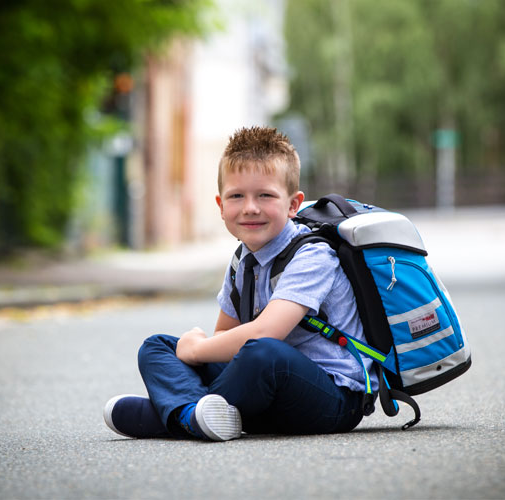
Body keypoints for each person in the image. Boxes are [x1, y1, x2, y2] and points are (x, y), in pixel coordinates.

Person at [103, 126, 377, 441]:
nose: (250, 207)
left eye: (265, 195)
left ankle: (175, 415)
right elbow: (225, 335)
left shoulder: (312, 256)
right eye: (237, 196)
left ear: (292, 204)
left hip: (331, 399)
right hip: (266, 394)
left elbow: (265, 333)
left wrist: (197, 351)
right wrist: (197, 347)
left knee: (262, 354)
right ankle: (197, 415)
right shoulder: (241, 262)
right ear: (221, 206)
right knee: (158, 346)